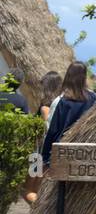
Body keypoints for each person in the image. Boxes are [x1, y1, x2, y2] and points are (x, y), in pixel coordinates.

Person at [41, 62, 96, 167]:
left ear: (68, 76)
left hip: (62, 151)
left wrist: (44, 156)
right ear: (84, 77)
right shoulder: (92, 98)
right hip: (84, 151)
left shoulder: (62, 101)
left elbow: (53, 130)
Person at [23, 69, 65, 203]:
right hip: (47, 154)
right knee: (37, 190)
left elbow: (47, 129)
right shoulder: (61, 103)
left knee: (28, 190)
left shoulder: (46, 106)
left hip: (39, 154)